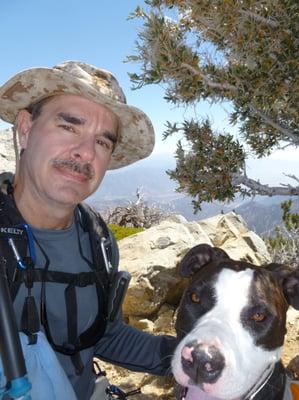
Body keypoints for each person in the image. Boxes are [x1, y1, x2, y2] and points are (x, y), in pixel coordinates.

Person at [0, 61, 176, 399]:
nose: (85, 153)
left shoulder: (97, 240)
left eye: (103, 142)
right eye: (69, 126)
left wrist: (186, 355)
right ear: (25, 129)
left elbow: (99, 335)